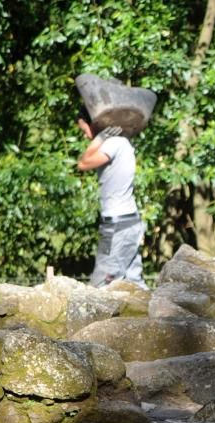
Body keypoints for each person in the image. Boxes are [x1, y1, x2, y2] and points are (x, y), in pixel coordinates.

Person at [76, 106, 147, 289]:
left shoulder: (113, 142)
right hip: (129, 221)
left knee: (101, 284)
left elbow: (83, 163)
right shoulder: (123, 142)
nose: (85, 135)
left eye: (84, 128)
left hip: (118, 225)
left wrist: (100, 138)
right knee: (134, 283)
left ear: (94, 124)